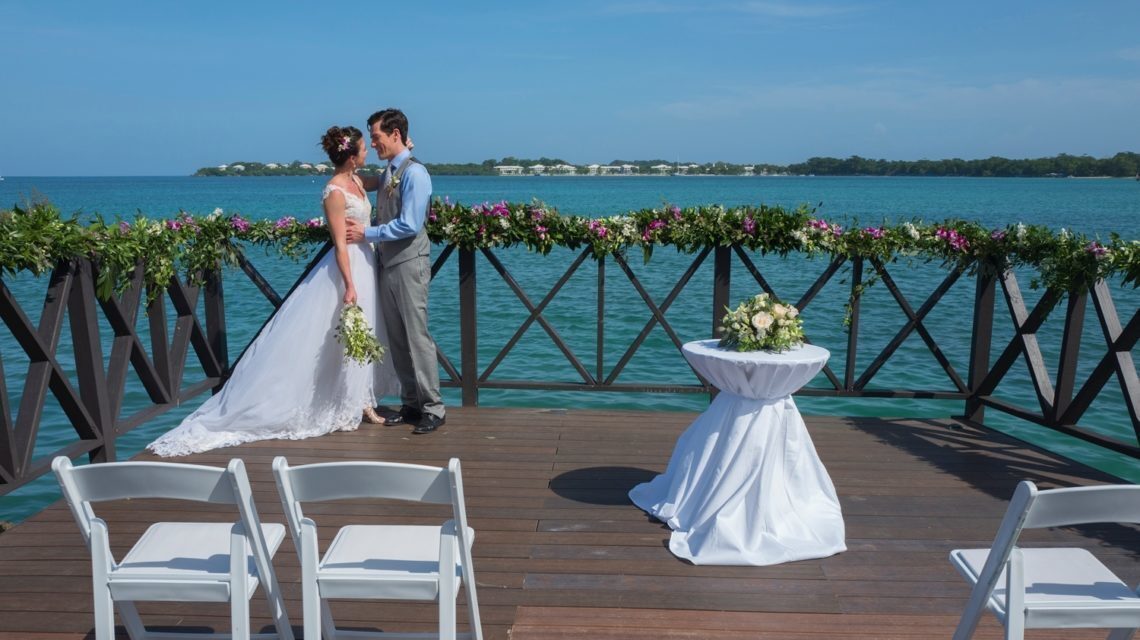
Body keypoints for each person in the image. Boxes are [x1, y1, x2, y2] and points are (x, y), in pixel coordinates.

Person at [148, 126, 398, 456]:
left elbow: (387, 179)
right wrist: (350, 285)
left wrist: (402, 153)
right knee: (344, 335)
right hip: (347, 268)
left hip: (366, 262)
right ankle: (348, 403)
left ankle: (361, 399)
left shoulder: (358, 181)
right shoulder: (335, 192)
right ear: (351, 157)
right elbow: (339, 244)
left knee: (363, 332)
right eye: (364, 148)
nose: (368, 151)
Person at [345, 108, 445, 434]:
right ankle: (411, 402)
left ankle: (433, 408)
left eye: (376, 137)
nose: (373, 143)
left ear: (395, 134)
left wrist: (367, 233)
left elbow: (410, 224)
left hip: (410, 263)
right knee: (398, 340)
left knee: (417, 337)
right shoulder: (389, 170)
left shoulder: (416, 173)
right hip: (388, 264)